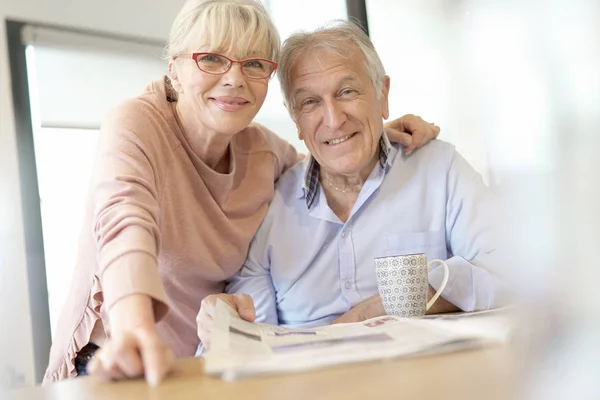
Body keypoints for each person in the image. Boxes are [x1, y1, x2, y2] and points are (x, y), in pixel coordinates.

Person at [43, 0, 440, 386]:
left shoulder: (263, 153)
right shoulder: (137, 123)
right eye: (212, 59)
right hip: (116, 361)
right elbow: (123, 222)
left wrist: (365, 134)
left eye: (253, 64)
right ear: (174, 71)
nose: (234, 79)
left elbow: (318, 158)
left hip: (197, 371)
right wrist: (133, 328)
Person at [197, 20, 503, 348]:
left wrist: (382, 306)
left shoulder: (439, 169)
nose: (333, 119)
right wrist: (223, 324)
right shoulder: (270, 204)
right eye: (310, 102)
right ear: (296, 120)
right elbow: (250, 344)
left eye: (347, 92)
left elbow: (512, 272)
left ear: (382, 96)